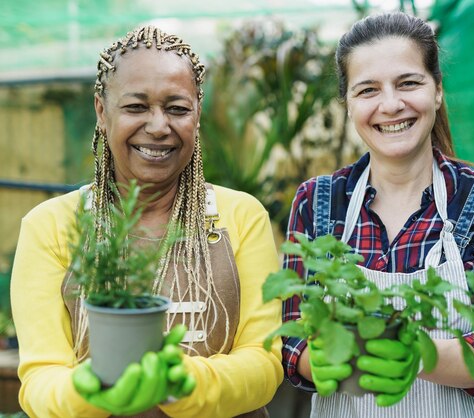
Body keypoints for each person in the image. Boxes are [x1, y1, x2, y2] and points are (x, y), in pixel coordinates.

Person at [10, 25, 282, 418]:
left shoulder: (240, 216)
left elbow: (265, 359)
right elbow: (40, 380)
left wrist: (181, 384)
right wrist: (91, 391)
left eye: (177, 108)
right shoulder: (50, 225)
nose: (158, 126)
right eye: (136, 107)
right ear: (102, 112)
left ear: (197, 114)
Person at [281, 12, 474, 417]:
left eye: (408, 83)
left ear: (437, 91)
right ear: (347, 103)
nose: (391, 105)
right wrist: (322, 360)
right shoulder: (318, 202)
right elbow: (294, 342)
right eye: (368, 90)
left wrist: (418, 355)